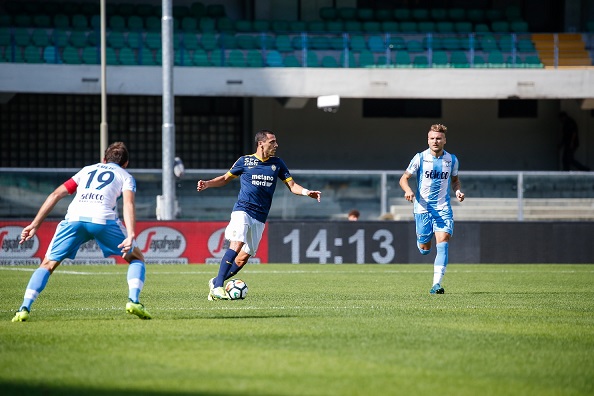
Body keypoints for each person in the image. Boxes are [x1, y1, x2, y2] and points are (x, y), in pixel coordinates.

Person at [12, 142, 152, 322]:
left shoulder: (86, 170)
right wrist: (131, 233)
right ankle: (133, 300)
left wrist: (35, 224)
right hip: (103, 220)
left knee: (47, 264)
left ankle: (24, 308)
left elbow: (56, 194)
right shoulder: (126, 176)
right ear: (126, 163)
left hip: (74, 219)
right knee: (136, 258)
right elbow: (128, 204)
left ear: (103, 159)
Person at [197, 129, 322, 300]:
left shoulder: (277, 163)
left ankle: (215, 281)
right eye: (272, 142)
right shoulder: (244, 161)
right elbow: (225, 178)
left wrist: (307, 192)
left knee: (242, 259)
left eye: (276, 142)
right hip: (243, 210)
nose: (276, 145)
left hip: (260, 216)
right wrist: (208, 184)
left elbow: (292, 186)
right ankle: (219, 287)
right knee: (237, 242)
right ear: (260, 143)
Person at [399, 124, 465, 295]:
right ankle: (422, 241)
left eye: (438, 138)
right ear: (428, 140)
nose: (435, 141)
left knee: (443, 242)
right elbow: (404, 179)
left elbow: (455, 180)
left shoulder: (452, 160)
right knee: (424, 249)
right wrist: (408, 190)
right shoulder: (420, 158)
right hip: (422, 208)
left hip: (443, 207)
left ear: (444, 140)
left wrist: (457, 191)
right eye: (432, 138)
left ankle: (436, 284)